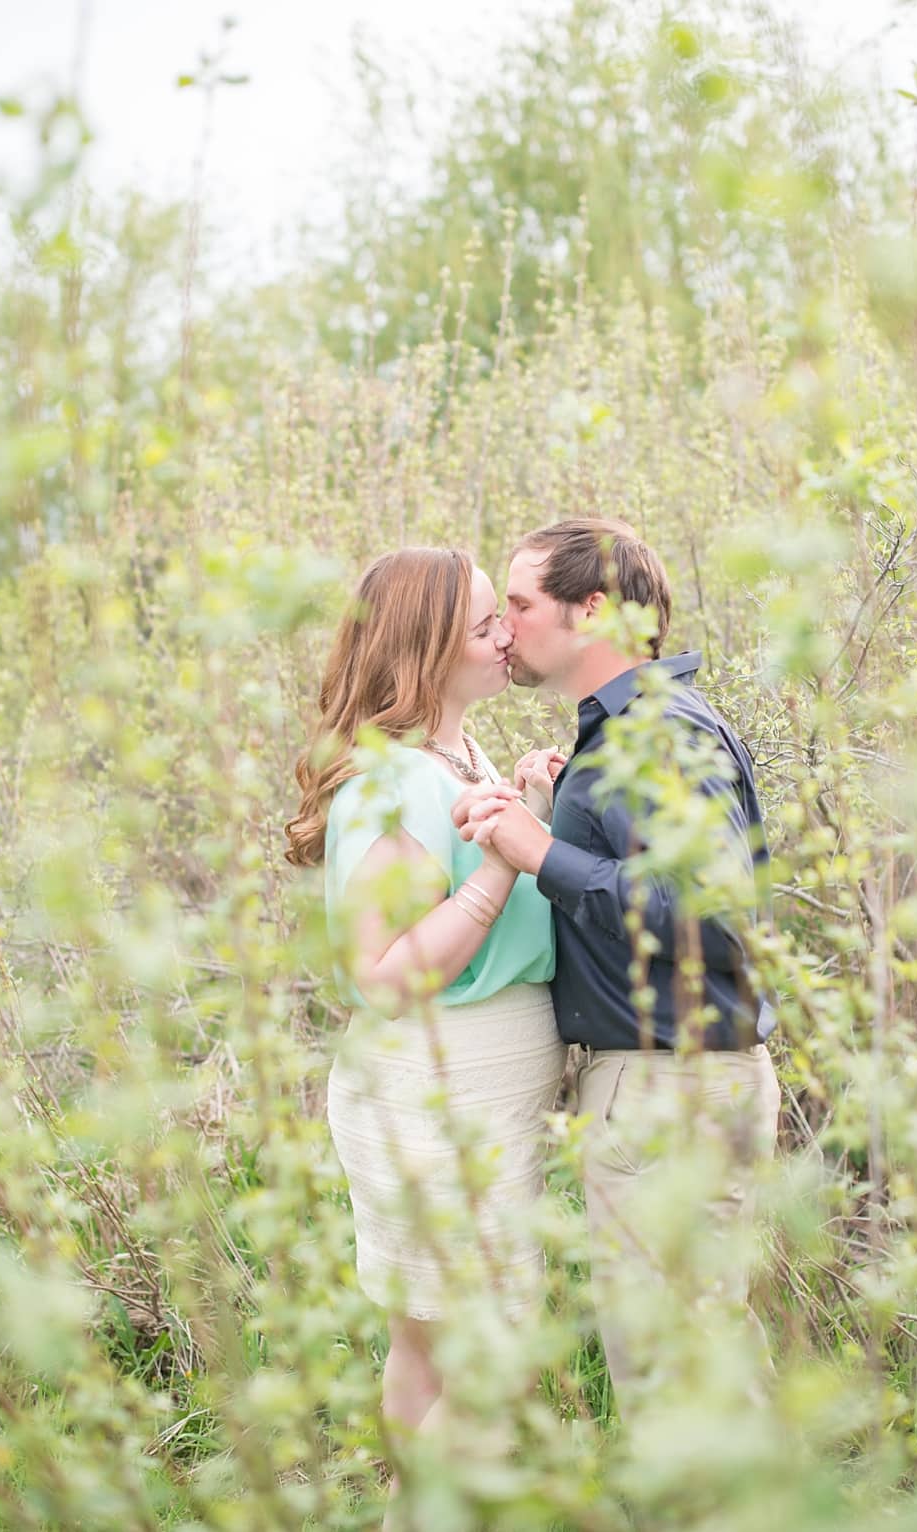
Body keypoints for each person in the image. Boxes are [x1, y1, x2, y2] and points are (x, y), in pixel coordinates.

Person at [449, 517, 781, 1391]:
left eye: (519, 603)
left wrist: (541, 851)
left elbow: (713, 915)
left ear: (592, 610)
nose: (505, 627)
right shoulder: (627, 734)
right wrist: (565, 810)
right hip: (668, 1086)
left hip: (671, 1091)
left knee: (679, 1388)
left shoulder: (657, 734)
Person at [281, 547, 562, 1472]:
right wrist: (498, 868)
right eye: (485, 624)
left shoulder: (453, 752)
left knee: (430, 1341)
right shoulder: (393, 777)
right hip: (442, 1089)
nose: (506, 634)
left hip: (468, 1083)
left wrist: (530, 807)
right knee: (488, 1352)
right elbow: (386, 973)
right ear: (428, 647)